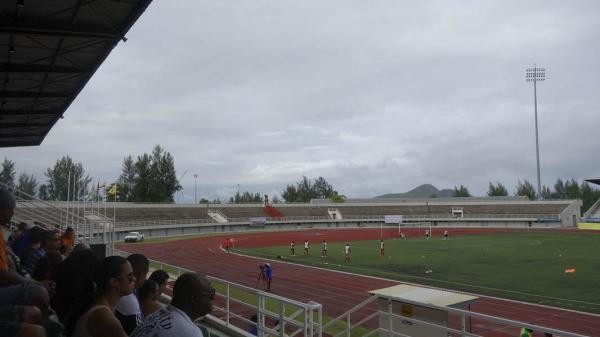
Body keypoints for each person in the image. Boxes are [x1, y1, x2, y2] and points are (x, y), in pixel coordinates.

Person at [131, 272, 215, 337]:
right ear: (195, 299)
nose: (213, 298)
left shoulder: (155, 315)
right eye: (210, 294)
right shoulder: (190, 332)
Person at [71, 256, 135, 337]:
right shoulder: (105, 317)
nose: (134, 279)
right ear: (114, 282)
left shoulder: (102, 305)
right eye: (130, 277)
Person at [115, 254, 149, 335]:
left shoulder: (119, 289)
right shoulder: (129, 299)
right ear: (141, 275)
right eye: (145, 275)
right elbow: (139, 332)